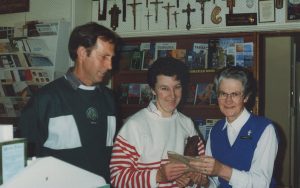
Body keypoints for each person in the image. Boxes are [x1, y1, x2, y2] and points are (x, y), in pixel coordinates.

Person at [19, 22, 120, 182]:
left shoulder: (109, 99)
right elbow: (23, 159)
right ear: (81, 53)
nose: (110, 65)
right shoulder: (45, 100)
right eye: (104, 57)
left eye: (111, 58)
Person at [110, 57, 207, 187]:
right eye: (164, 88)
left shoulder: (187, 123)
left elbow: (203, 171)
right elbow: (117, 179)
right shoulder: (134, 126)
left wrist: (196, 179)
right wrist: (158, 176)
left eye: (177, 87)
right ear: (153, 90)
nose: (172, 95)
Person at [189, 66, 278, 188]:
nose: (228, 100)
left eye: (235, 94)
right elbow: (215, 182)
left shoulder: (264, 129)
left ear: (246, 97)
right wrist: (205, 182)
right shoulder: (215, 130)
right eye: (223, 94)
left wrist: (222, 170)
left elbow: (262, 183)